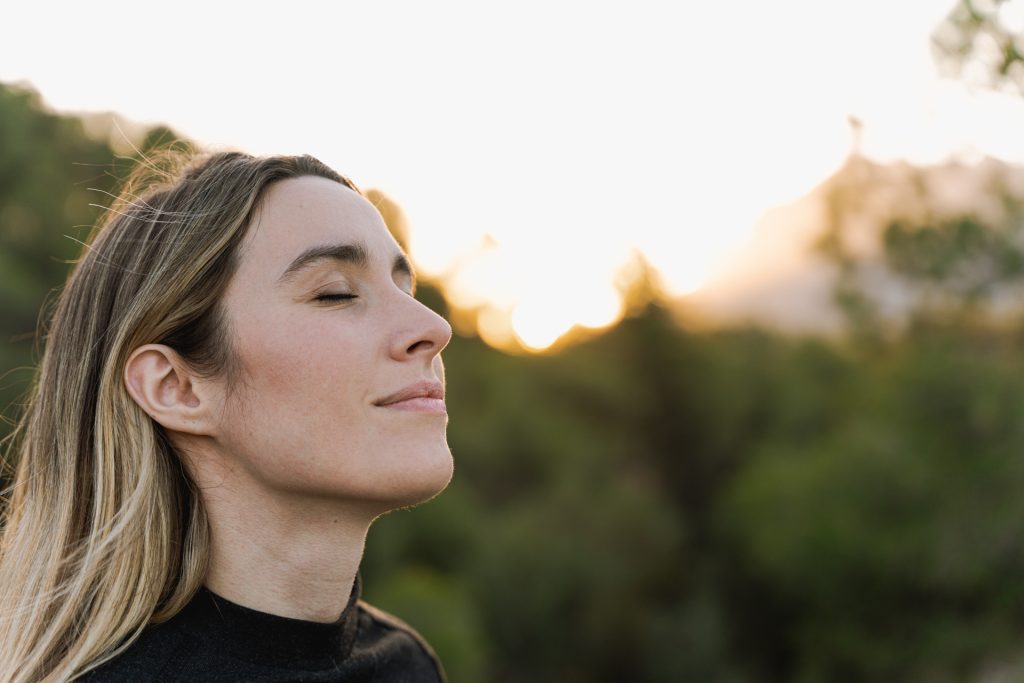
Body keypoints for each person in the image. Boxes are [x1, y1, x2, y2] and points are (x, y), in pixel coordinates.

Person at [0, 151, 453, 681]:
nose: (434, 326)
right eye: (336, 294)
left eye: (406, 288)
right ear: (176, 388)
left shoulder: (406, 666)